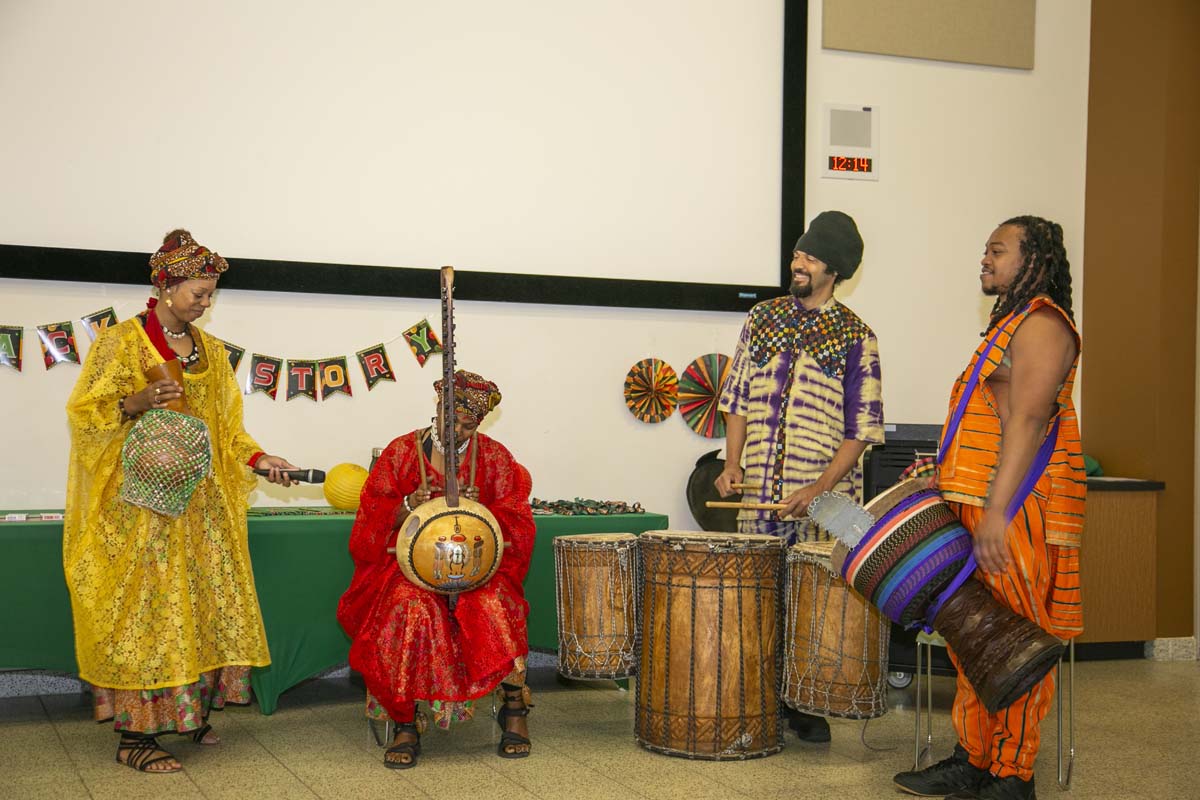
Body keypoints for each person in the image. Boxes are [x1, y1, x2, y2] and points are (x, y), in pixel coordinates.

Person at [63, 229, 297, 773]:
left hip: (202, 513)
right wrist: (134, 401)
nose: (206, 302)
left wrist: (261, 460)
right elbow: (84, 416)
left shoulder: (211, 351)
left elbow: (228, 431)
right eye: (198, 292)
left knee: (199, 610)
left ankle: (188, 716)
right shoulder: (120, 344)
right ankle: (135, 737)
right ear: (165, 287)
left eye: (211, 293)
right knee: (147, 616)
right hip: (142, 514)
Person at [893, 216, 1084, 800]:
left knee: (1013, 642)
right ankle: (974, 759)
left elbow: (1027, 422)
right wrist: (942, 472)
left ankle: (1012, 774)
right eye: (986, 250)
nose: (985, 258)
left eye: (997, 250)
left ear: (1035, 261)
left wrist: (998, 511)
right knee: (976, 637)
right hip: (981, 502)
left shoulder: (1046, 325)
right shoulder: (1011, 325)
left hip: (1016, 508)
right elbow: (992, 423)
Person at [715, 210, 884, 742]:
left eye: (810, 258)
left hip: (823, 501)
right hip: (760, 496)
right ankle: (759, 696)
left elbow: (862, 429)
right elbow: (736, 398)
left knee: (812, 599)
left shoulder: (858, 336)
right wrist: (731, 463)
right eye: (797, 253)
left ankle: (805, 703)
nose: (798, 263)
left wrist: (819, 489)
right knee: (758, 595)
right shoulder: (762, 319)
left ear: (834, 270)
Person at [337, 370, 536, 769]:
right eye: (451, 419)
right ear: (438, 407)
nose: (456, 430)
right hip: (409, 569)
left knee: (496, 603)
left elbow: (518, 519)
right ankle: (406, 719)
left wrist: (485, 511)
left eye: (467, 424)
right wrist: (409, 504)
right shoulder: (402, 452)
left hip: (477, 569)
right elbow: (371, 517)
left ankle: (514, 706)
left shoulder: (495, 457)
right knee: (409, 607)